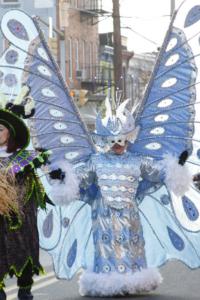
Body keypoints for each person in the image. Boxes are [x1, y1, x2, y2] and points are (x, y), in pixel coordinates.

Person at [0, 88, 50, 300]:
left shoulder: (23, 157)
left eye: (0, 129)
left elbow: (46, 160)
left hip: (21, 220)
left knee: (23, 252)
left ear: (10, 132)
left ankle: (24, 289)